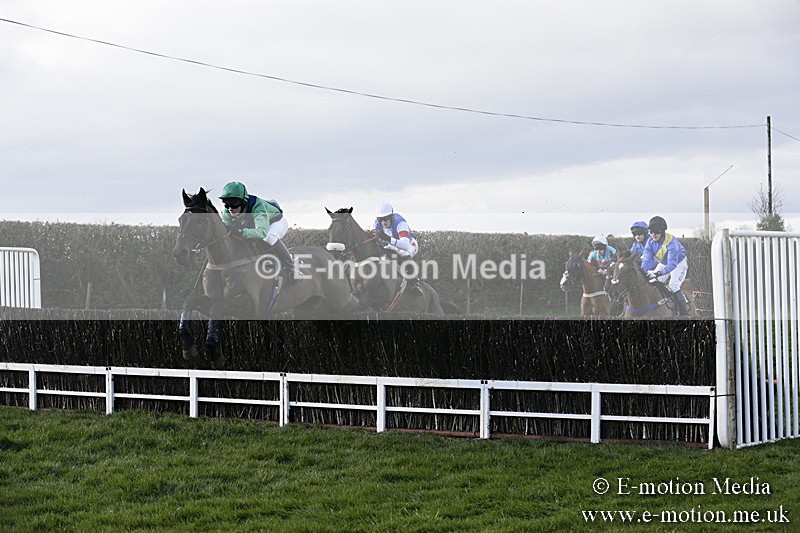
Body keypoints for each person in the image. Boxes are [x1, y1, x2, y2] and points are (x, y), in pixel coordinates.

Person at [218, 181, 299, 285]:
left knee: (269, 237)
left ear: (243, 202)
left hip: (276, 222)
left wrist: (241, 232)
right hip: (256, 225)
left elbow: (262, 232)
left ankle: (292, 265)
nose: (230, 208)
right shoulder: (227, 212)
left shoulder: (257, 207)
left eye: (234, 204)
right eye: (226, 204)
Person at [640, 215, 691, 316]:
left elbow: (672, 264)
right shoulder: (650, 241)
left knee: (673, 286)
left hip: (678, 263)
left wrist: (658, 273)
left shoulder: (671, 242)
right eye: (651, 232)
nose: (653, 234)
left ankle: (684, 314)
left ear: (662, 231)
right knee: (653, 283)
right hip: (664, 263)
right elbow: (647, 260)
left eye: (656, 232)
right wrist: (642, 271)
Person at [370, 201, 423, 296]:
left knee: (404, 253)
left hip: (409, 244)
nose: (383, 222)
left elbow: (405, 245)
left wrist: (387, 238)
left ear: (391, 216)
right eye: (380, 219)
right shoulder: (376, 224)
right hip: (391, 245)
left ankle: (415, 282)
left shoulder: (400, 223)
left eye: (386, 218)